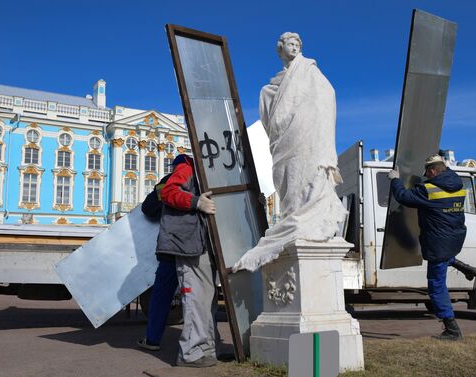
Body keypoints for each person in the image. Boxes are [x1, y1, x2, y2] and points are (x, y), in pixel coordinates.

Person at [233, 32, 347, 272]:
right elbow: (268, 120)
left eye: (297, 44)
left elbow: (327, 98)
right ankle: (293, 217)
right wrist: (282, 129)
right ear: (280, 49)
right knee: (288, 181)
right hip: (284, 143)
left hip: (309, 140)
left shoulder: (309, 71)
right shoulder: (269, 89)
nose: (294, 47)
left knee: (308, 179)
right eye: (290, 44)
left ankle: (307, 220)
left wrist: (309, 124)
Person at [137, 154, 219, 367]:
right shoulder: (194, 174)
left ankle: (153, 339)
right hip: (185, 245)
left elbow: (149, 208)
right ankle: (203, 346)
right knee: (198, 296)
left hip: (175, 248)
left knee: (164, 297)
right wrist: (194, 201)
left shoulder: (169, 179)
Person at [388, 154, 468, 340]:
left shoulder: (429, 190)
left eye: (427, 173)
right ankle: (466, 268)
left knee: (436, 286)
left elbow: (404, 197)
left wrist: (395, 181)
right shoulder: (459, 186)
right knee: (446, 257)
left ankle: (452, 330)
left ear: (432, 171)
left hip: (438, 243)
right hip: (454, 239)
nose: (426, 176)